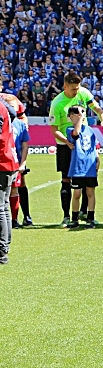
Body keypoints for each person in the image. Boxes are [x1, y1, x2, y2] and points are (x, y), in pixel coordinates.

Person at [49, 72, 103, 227]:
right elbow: (54, 129)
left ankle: (83, 212)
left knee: (85, 177)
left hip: (84, 145)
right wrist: (67, 141)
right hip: (65, 145)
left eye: (78, 88)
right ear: (65, 86)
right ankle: (66, 216)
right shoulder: (57, 103)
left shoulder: (84, 93)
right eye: (73, 89)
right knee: (66, 180)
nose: (77, 91)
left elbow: (98, 109)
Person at [65, 107, 100, 229]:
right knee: (77, 193)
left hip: (89, 167)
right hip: (77, 167)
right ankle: (74, 218)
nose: (82, 115)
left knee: (90, 192)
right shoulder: (69, 129)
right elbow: (75, 134)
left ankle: (91, 217)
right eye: (78, 113)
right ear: (72, 116)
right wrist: (80, 119)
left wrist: (97, 157)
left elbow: (94, 146)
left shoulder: (90, 130)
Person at [0, 97, 19, 264]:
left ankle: (2, 251)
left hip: (2, 162)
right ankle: (4, 247)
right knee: (3, 206)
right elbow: (14, 113)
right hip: (8, 160)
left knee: (0, 208)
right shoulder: (3, 105)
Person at [10, 104, 30, 228]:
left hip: (14, 162)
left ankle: (14, 220)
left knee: (14, 190)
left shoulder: (20, 124)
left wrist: (22, 163)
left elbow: (24, 145)